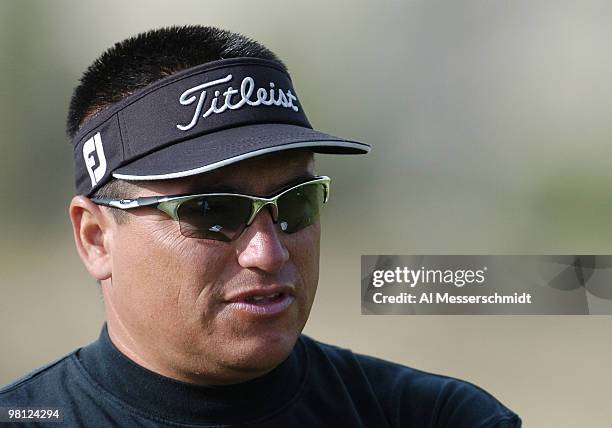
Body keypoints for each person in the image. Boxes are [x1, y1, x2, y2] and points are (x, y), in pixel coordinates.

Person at [0, 26, 521, 427]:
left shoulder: (433, 417)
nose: (268, 253)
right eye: (211, 212)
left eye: (296, 203)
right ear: (96, 238)